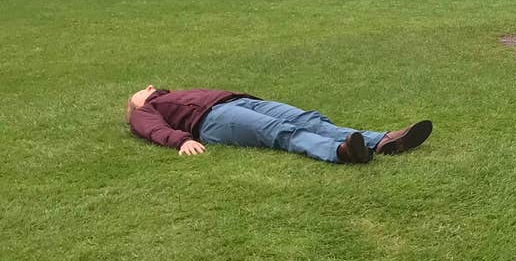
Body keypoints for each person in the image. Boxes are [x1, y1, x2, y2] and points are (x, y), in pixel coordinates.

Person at [125, 85, 432, 163]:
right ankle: (340, 152)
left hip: (238, 102)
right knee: (280, 133)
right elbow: (152, 129)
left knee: (307, 118)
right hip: (212, 121)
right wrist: (181, 140)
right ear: (135, 102)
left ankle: (379, 141)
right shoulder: (143, 110)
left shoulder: (170, 95)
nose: (149, 86)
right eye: (143, 88)